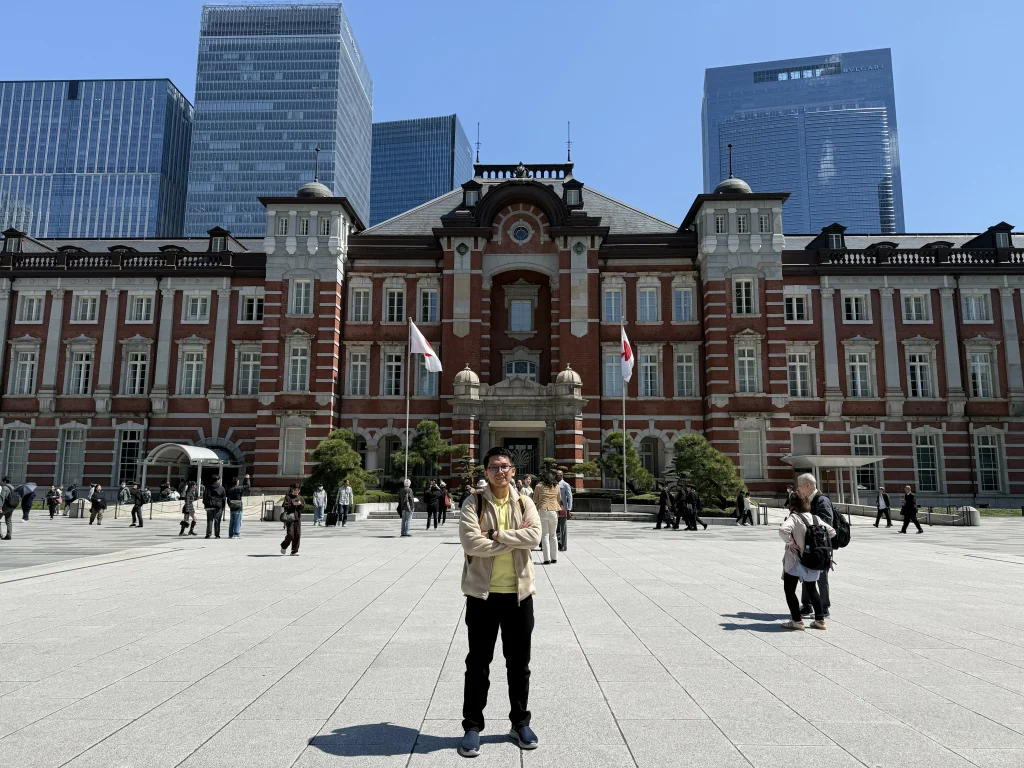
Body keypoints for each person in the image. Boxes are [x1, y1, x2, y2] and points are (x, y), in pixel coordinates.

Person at [457, 446, 542, 758]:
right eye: (494, 467)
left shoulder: (525, 501)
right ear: (486, 472)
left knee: (519, 665)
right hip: (482, 596)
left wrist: (493, 534)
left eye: (505, 466)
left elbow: (535, 536)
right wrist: (510, 540)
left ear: (513, 471)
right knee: (478, 663)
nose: (500, 471)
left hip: (519, 597)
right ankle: (472, 725)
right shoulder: (473, 502)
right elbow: (471, 543)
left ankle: (519, 722)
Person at [779, 492, 835, 631]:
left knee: (789, 590)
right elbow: (832, 532)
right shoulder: (815, 518)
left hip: (796, 560)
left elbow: (783, 529)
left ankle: (797, 620)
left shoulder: (795, 518)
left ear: (793, 505)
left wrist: (791, 542)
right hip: (813, 559)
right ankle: (819, 620)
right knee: (812, 588)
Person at [795, 473, 834, 619]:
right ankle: (807, 605)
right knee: (806, 573)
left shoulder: (822, 501)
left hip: (820, 547)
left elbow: (825, 523)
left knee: (821, 577)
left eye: (799, 486)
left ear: (808, 485)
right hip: (809, 545)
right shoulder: (808, 500)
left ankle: (824, 607)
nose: (798, 489)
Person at [532, 469, 561, 565]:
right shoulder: (556, 486)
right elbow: (558, 499)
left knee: (545, 535)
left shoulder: (539, 486)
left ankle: (546, 558)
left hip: (543, 510)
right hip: (553, 511)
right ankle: (554, 557)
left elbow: (535, 499)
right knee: (553, 535)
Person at [280, 483, 304, 555]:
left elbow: (303, 507)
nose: (297, 491)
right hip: (290, 518)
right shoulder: (288, 497)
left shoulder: (300, 498)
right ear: (292, 489)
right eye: (295, 489)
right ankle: (284, 546)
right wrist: (292, 504)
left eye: (298, 490)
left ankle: (294, 550)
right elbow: (284, 505)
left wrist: (300, 504)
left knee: (297, 534)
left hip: (297, 518)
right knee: (290, 535)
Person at [556, 470, 572, 552]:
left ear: (562, 475)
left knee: (563, 529)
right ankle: (559, 544)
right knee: (557, 528)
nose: (558, 475)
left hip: (563, 509)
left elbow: (569, 498)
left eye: (559, 474)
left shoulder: (565, 485)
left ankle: (564, 546)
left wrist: (569, 509)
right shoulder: (554, 484)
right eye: (557, 474)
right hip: (555, 508)